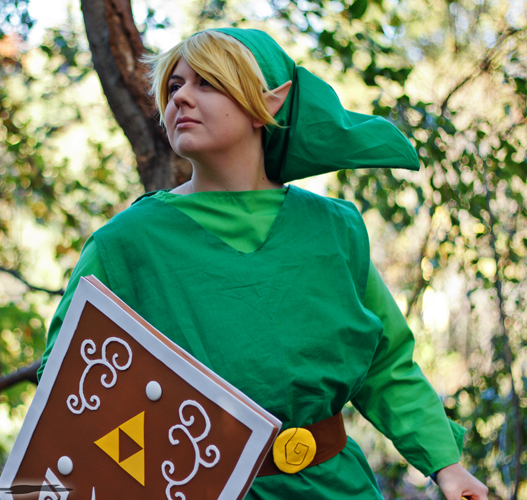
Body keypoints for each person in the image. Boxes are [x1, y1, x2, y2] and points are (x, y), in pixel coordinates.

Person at [38, 28, 489, 499]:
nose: (182, 97)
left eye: (206, 82)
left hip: (338, 488)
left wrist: (447, 466)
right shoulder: (124, 243)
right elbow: (69, 385)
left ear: (269, 103)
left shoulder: (335, 230)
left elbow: (386, 365)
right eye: (174, 86)